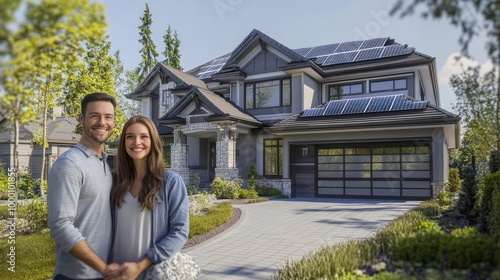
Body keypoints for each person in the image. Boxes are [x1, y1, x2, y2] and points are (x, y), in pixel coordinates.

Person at [48, 92, 122, 279]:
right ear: (81, 118)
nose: (102, 122)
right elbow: (60, 225)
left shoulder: (106, 162)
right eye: (94, 115)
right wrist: (103, 267)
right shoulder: (69, 164)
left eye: (108, 117)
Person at [107, 115, 189, 280]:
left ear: (153, 141)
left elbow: (180, 231)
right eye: (130, 137)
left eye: (144, 136)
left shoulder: (170, 182)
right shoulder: (115, 181)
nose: (136, 142)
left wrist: (141, 265)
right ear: (124, 142)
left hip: (151, 273)